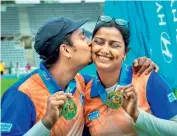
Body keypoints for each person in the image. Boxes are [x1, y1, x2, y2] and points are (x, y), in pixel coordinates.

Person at [1, 16, 159, 136]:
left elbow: (111, 77)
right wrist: (46, 123)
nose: (91, 43)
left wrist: (141, 64)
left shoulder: (80, 82)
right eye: (83, 37)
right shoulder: (21, 95)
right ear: (66, 50)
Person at [84, 16, 177, 136]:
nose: (105, 50)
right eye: (99, 42)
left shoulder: (146, 78)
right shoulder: (86, 92)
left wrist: (136, 115)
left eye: (114, 45)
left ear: (125, 53)